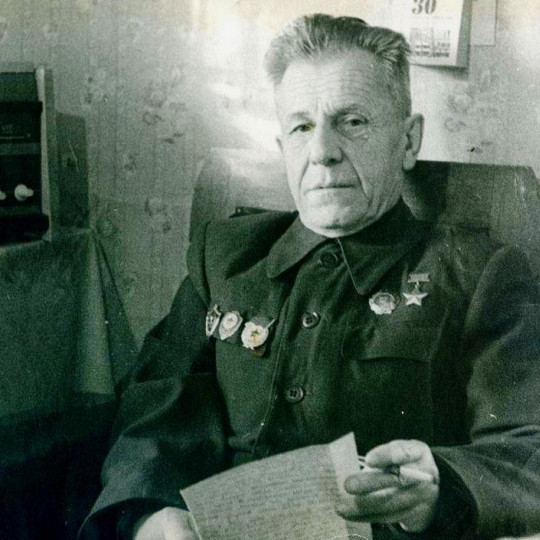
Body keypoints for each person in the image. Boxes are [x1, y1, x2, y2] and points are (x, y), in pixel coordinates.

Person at [80, 14, 540, 540]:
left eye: (353, 122)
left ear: (408, 140)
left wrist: (440, 489)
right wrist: (149, 516)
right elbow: (156, 411)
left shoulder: (477, 273)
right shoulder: (225, 257)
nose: (322, 151)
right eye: (302, 127)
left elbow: (529, 448)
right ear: (284, 148)